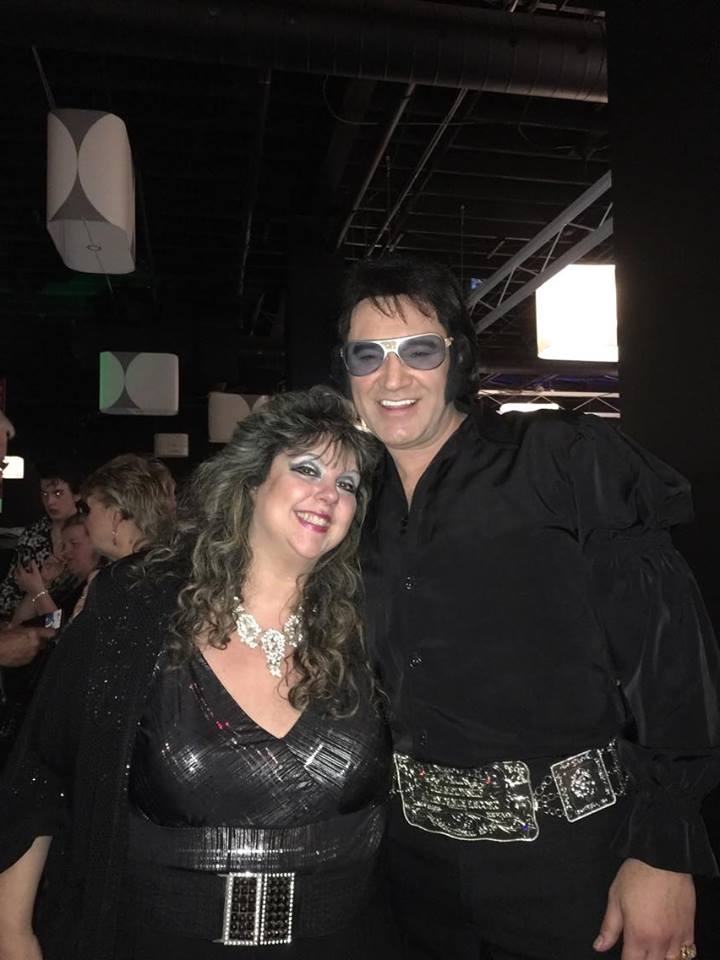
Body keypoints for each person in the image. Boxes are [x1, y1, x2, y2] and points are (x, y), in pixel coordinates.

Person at [337, 254, 720, 960]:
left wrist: (664, 849)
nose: (392, 378)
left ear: (457, 356)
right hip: (410, 874)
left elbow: (668, 650)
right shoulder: (354, 506)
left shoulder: (558, 458)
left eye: (418, 350)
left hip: (573, 864)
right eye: (369, 355)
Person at [0, 387, 395, 960]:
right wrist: (12, 933)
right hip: (156, 941)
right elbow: (43, 769)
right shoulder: (137, 602)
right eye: (307, 469)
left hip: (342, 942)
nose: (328, 494)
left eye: (348, 484)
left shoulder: (368, 622)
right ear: (253, 480)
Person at [0, 461, 83, 622]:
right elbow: (11, 593)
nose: (49, 501)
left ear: (77, 494)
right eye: (44, 494)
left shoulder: (90, 534)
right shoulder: (33, 534)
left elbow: (59, 627)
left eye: (58, 493)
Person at [80, 453, 176, 561]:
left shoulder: (124, 572)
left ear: (116, 517)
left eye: (89, 510)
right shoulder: (172, 564)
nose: (86, 521)